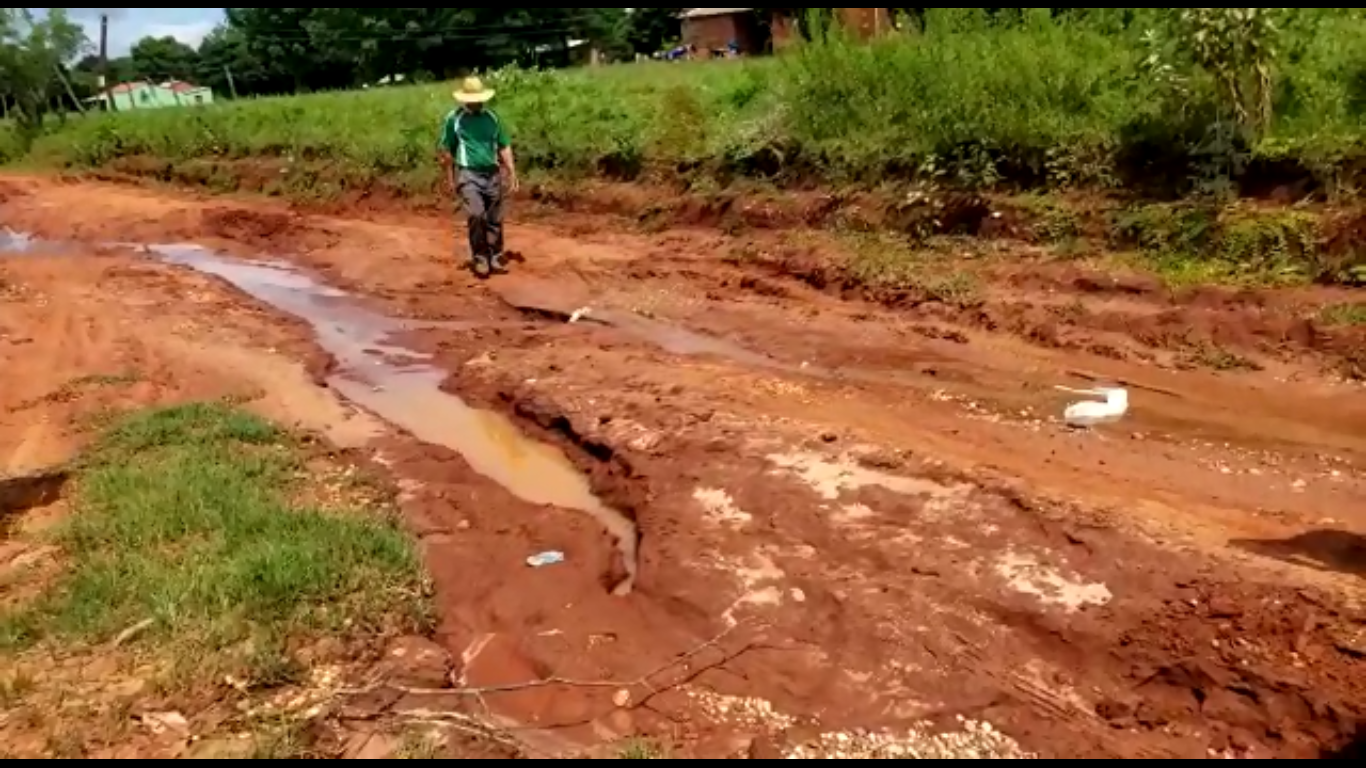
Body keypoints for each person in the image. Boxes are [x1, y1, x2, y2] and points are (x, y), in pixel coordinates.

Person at [437, 76, 519, 278]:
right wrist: (449, 177)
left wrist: (512, 172)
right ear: (465, 100)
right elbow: (447, 151)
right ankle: (480, 257)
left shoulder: (492, 118)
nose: (476, 103)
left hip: (492, 173)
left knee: (494, 218)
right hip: (468, 173)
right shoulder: (454, 119)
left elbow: (503, 146)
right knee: (476, 214)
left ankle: (495, 255)